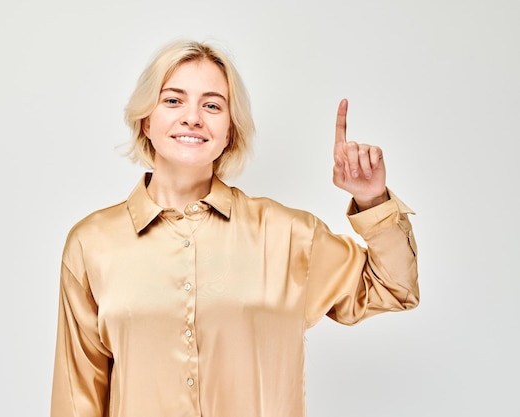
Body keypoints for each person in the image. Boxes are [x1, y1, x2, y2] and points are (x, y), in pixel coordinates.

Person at [50, 39, 419, 417]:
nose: (192, 117)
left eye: (212, 105)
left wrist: (373, 200)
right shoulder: (92, 243)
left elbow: (394, 288)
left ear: (229, 131)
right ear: (146, 119)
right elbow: (77, 396)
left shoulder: (288, 236)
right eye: (173, 100)